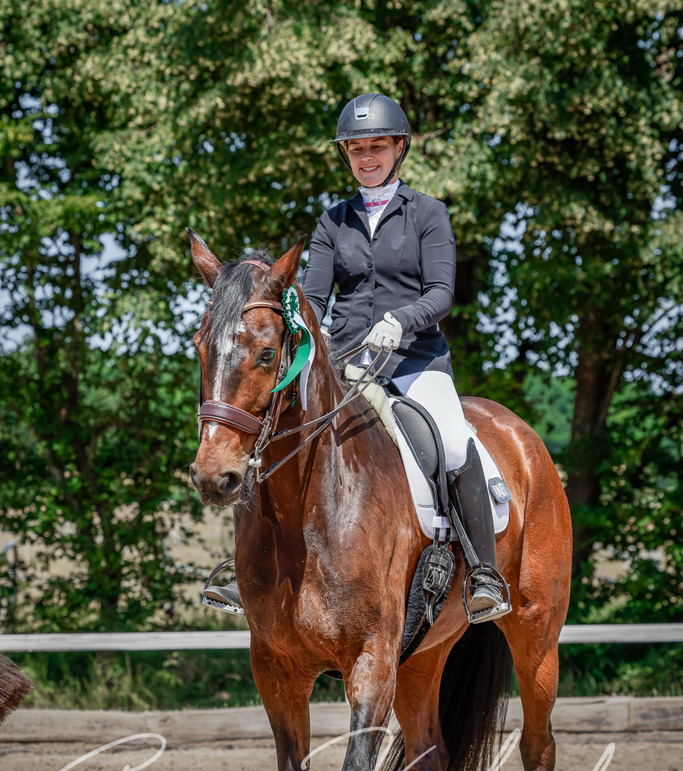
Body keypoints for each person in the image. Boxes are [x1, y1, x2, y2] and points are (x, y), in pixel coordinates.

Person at [204, 93, 510, 623]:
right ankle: (248, 569)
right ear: (346, 155)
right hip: (346, 362)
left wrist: (402, 321)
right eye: (356, 149)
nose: (366, 157)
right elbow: (317, 300)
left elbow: (441, 292)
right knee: (273, 426)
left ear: (398, 149)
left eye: (377, 147)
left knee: (457, 444)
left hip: (415, 362)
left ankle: (483, 572)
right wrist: (299, 325)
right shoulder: (333, 222)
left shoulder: (428, 214)